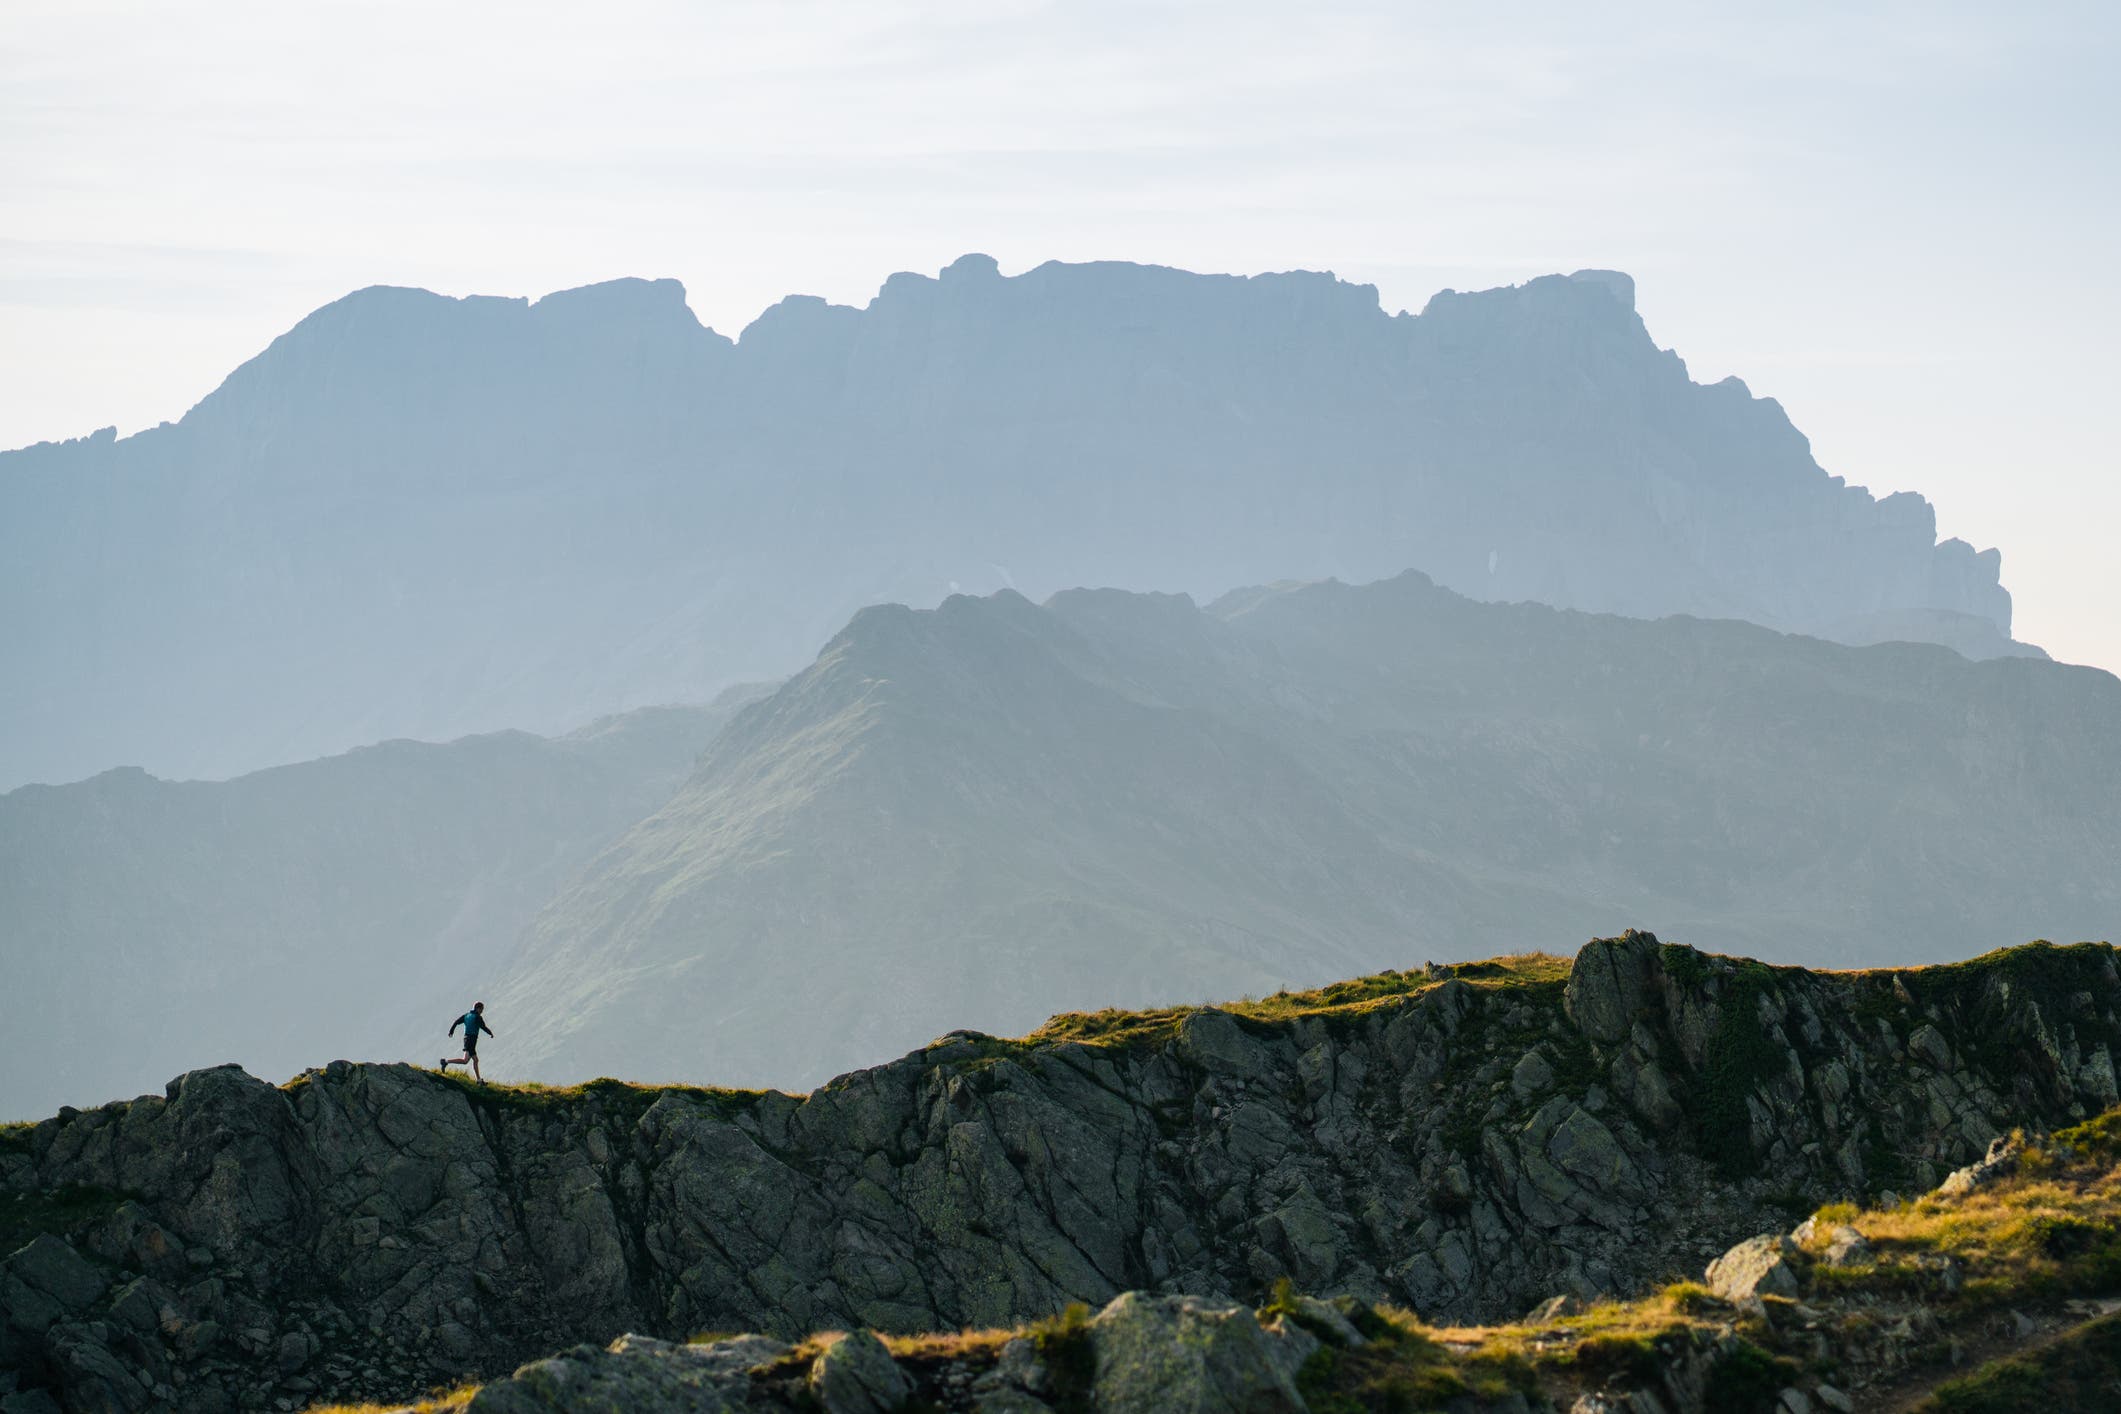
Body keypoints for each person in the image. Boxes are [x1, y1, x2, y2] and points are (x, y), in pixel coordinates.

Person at [441, 1002, 496, 1081]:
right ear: (478, 1008)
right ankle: (479, 1080)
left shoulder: (466, 1015)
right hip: (471, 1040)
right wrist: (490, 1033)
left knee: (470, 1060)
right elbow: (483, 1027)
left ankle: (478, 1080)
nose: (482, 1011)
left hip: (467, 1039)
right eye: (482, 1009)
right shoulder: (477, 1017)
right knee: (470, 1060)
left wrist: (451, 1031)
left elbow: (456, 1022)